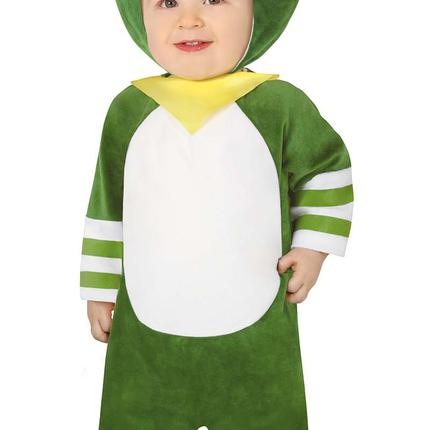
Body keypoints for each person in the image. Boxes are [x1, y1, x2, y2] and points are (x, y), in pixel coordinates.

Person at [80, 0, 354, 428]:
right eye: (168, 2)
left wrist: (313, 246)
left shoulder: (280, 104)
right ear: (138, 15)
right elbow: (106, 203)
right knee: (135, 412)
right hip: (147, 330)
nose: (189, 19)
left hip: (257, 327)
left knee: (267, 413)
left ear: (259, 11)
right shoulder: (128, 110)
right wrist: (99, 288)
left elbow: (325, 170)